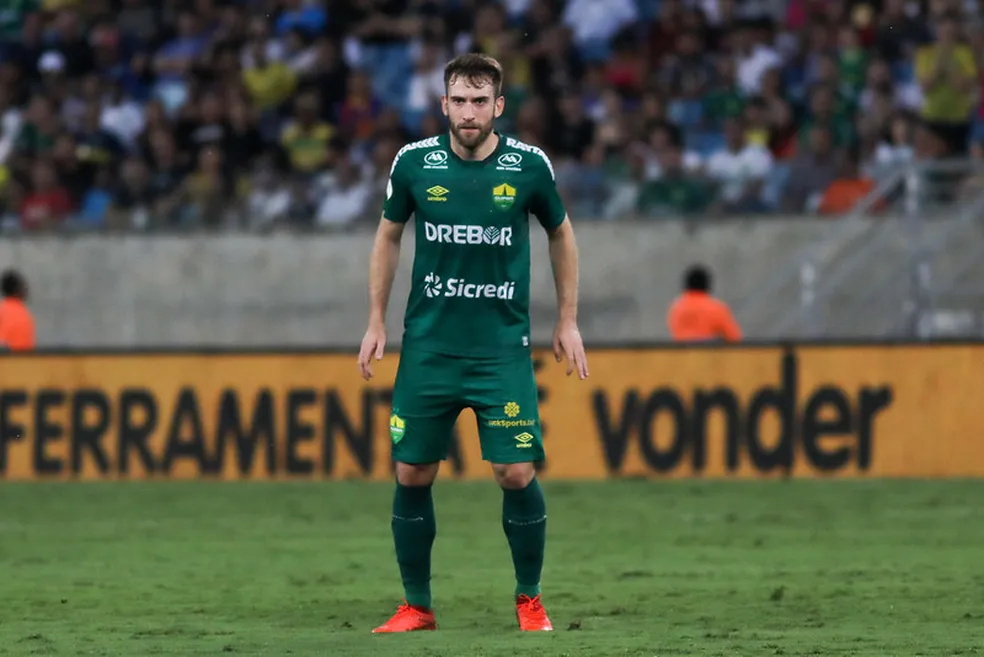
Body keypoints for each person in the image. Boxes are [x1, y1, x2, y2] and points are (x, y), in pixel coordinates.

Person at [358, 53, 588, 634]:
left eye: (479, 101)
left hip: (500, 351)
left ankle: (530, 600)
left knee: (514, 472)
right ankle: (417, 605)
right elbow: (388, 235)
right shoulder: (414, 163)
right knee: (412, 473)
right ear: (444, 104)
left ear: (498, 106)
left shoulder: (529, 166)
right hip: (429, 348)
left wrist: (567, 320)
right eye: (458, 100)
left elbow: (561, 234)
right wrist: (376, 321)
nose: (468, 111)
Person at [666, 265, 742, 342]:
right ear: (707, 285)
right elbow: (734, 337)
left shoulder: (675, 308)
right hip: (707, 352)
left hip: (679, 352)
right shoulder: (717, 308)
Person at [0, 269, 36, 351]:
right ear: (16, 289)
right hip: (21, 361)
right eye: (23, 285)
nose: (26, 289)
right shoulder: (25, 315)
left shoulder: (2, 310)